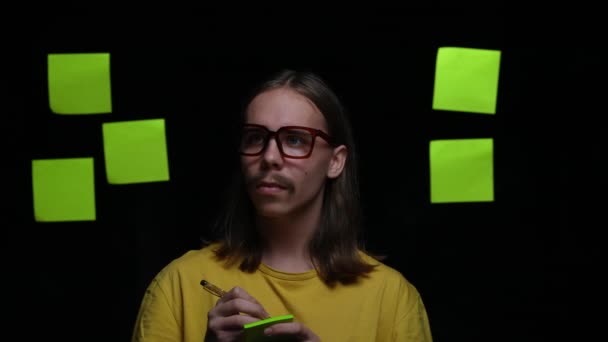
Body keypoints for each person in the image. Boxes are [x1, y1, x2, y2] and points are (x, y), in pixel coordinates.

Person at [131, 69, 433, 341]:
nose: (270, 157)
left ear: (336, 161)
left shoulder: (391, 299)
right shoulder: (180, 284)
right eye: (255, 137)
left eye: (296, 140)